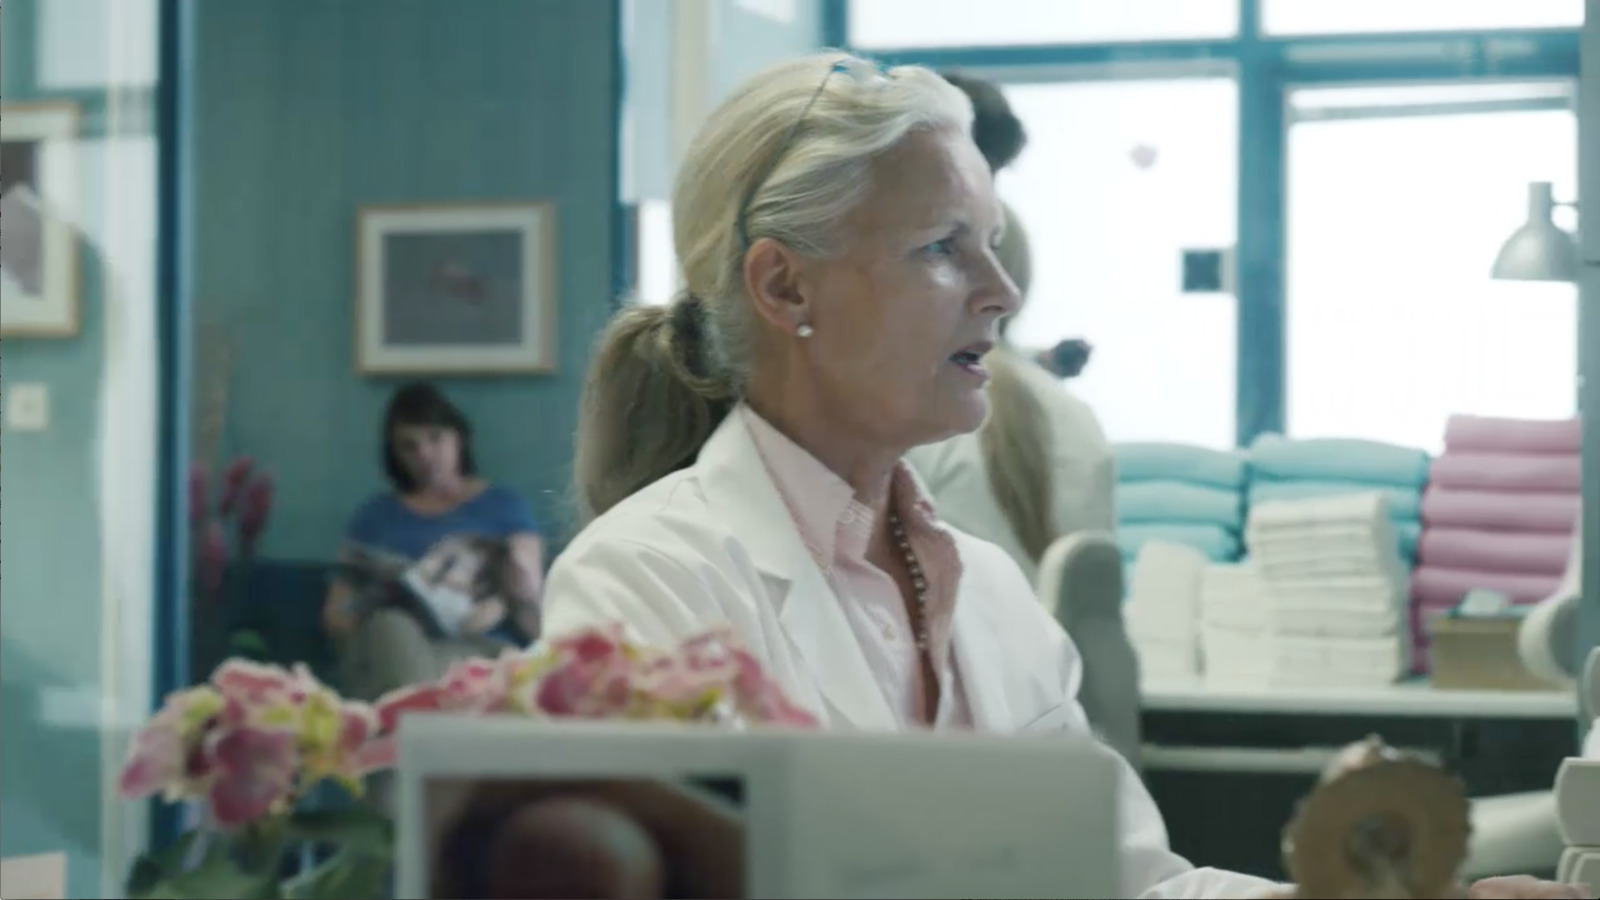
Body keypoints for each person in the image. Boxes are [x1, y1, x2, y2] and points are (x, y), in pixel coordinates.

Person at [537, 53, 1580, 900]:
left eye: (991, 244)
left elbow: (1127, 886)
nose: (1000, 293)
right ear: (782, 283)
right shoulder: (644, 587)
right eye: (945, 247)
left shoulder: (985, 593)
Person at [323, 382, 544, 701]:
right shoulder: (373, 516)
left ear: (459, 438)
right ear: (395, 455)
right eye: (408, 446)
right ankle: (427, 703)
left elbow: (530, 601)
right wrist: (368, 609)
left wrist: (513, 583)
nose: (424, 454)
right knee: (391, 629)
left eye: (435, 438)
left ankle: (416, 705)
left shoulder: (503, 506)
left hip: (475, 644)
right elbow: (335, 614)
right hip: (389, 644)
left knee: (432, 669)